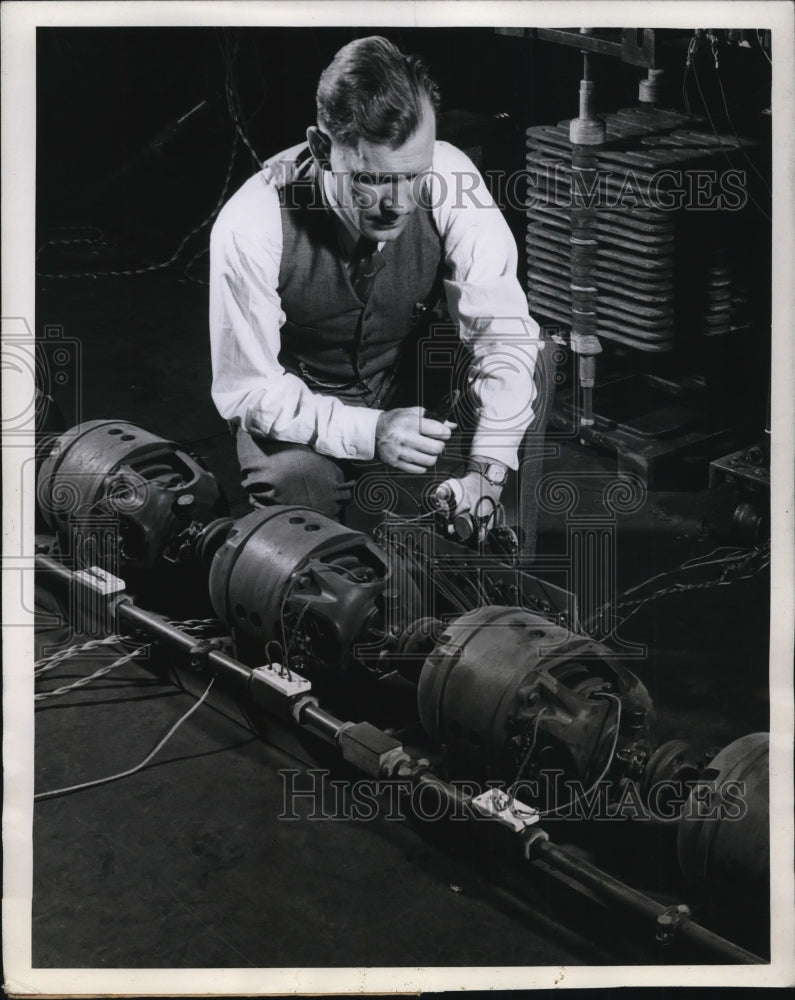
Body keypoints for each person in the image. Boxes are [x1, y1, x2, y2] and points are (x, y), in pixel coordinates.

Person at [209, 35, 541, 528]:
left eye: (414, 176)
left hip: (410, 382)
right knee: (296, 492)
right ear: (323, 148)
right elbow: (249, 391)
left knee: (527, 370)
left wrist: (484, 476)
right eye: (373, 180)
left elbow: (503, 338)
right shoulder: (251, 224)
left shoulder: (453, 180)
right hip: (303, 401)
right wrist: (373, 430)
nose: (399, 203)